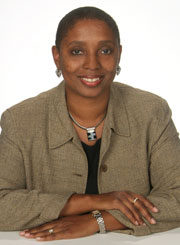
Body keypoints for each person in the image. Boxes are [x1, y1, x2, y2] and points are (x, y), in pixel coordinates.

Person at [0, 6, 180, 242]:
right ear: (57, 56)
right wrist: (97, 200)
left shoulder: (151, 111)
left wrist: (99, 220)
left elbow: (177, 196)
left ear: (119, 54)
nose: (92, 64)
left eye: (105, 50)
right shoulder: (21, 119)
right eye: (77, 51)